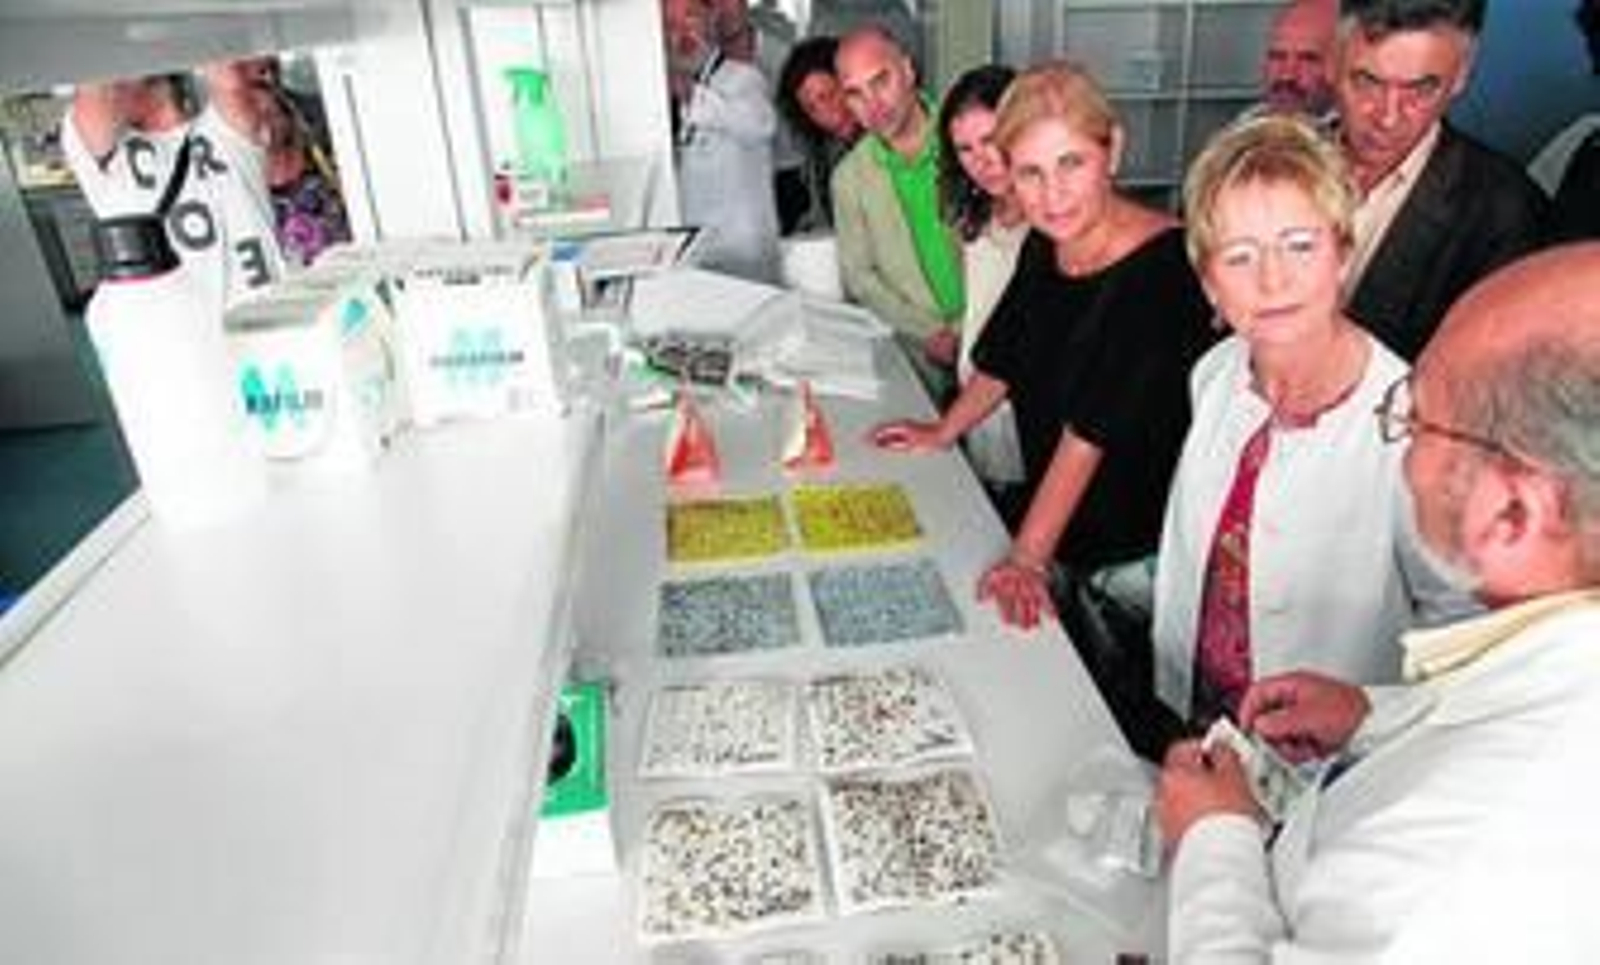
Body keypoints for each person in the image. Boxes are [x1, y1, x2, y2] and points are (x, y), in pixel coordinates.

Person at [1158, 241, 1600, 961]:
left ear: (1511, 512)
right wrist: (1377, 717)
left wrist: (1216, 841)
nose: (1400, 439)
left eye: (1418, 415)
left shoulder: (1466, 860)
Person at [871, 63, 1217, 752]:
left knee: (1137, 723)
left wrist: (1028, 557)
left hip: (1141, 549)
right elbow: (1004, 356)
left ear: (1111, 150)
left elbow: (1090, 431)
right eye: (1029, 173)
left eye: (1071, 164)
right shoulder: (1045, 244)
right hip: (1070, 530)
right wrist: (944, 429)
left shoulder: (1163, 268)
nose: (1051, 194)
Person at [1153, 114, 1455, 735]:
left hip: (1329, 745)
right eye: (1239, 257)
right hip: (1200, 705)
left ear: (1343, 254)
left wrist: (1371, 715)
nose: (1273, 279)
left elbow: (1461, 626)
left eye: (1300, 245)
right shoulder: (1213, 373)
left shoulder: (1414, 422)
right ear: (1209, 284)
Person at [1333, 0, 1548, 362]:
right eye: (1367, 81)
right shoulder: (1265, 162)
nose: (1387, 117)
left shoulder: (1505, 211)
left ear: (1462, 75)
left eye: (1421, 89)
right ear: (1333, 60)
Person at [61, 61, 286, 318]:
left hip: (268, 323)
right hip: (182, 339)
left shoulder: (223, 130)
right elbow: (96, 80)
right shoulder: (104, 157)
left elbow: (228, 74)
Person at [832, 24, 965, 398]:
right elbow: (861, 277)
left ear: (907, 71)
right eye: (855, 94)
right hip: (920, 353)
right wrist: (930, 333)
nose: (873, 105)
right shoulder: (848, 179)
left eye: (881, 81)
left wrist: (966, 325)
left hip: (998, 333)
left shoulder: (967, 139)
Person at [935, 64, 1027, 508]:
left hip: (1026, 416)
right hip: (978, 407)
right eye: (965, 149)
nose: (981, 161)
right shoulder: (978, 213)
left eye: (991, 140)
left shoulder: (1051, 221)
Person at [663, 0, 782, 283]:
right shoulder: (659, 96)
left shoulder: (744, 79)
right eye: (670, 25)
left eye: (690, 17)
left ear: (712, 18)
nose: (682, 33)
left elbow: (762, 124)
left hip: (746, 253)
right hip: (695, 255)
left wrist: (690, 94)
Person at [774, 36, 861, 232]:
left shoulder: (886, 138)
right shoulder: (821, 153)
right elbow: (824, 216)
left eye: (827, 95)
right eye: (812, 108)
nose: (826, 113)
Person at [1256, 0, 1339, 118]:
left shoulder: (1360, 132)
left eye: (1308, 59)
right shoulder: (1245, 127)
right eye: (1277, 56)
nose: (1287, 75)